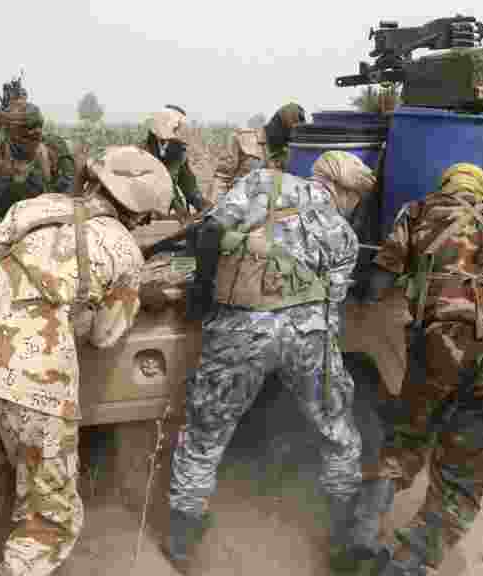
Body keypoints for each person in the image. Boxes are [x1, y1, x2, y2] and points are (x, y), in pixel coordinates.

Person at [0, 145, 173, 576]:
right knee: (48, 515)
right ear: (141, 213)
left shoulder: (33, 208)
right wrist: (135, 298)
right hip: (38, 382)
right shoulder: (124, 249)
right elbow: (105, 336)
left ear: (96, 181)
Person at [165, 151, 376, 574]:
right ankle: (345, 536)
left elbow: (209, 233)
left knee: (206, 433)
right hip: (309, 337)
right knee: (337, 430)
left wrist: (202, 291)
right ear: (340, 190)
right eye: (354, 196)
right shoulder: (345, 237)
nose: (353, 205)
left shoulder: (264, 183)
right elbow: (333, 309)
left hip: (241, 330)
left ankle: (182, 540)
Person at [353, 164, 483, 576]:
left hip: (440, 341)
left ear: (445, 186)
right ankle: (407, 562)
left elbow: (379, 284)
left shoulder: (418, 212)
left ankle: (360, 535)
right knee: (463, 469)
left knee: (405, 440)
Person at [0, 99, 75, 223]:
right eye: (27, 128)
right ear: (8, 131)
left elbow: (69, 199)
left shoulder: (54, 152)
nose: (35, 132)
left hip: (49, 226)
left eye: (38, 126)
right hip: (3, 230)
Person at [208, 102, 305, 206]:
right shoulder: (244, 139)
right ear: (276, 124)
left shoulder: (291, 153)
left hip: (269, 211)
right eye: (285, 132)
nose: (288, 138)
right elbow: (221, 178)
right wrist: (213, 209)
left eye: (290, 135)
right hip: (235, 206)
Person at [144, 105, 203, 215]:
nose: (177, 127)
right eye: (176, 124)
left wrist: (201, 205)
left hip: (170, 204)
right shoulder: (145, 148)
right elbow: (163, 184)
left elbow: (188, 183)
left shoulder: (178, 149)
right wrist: (180, 211)